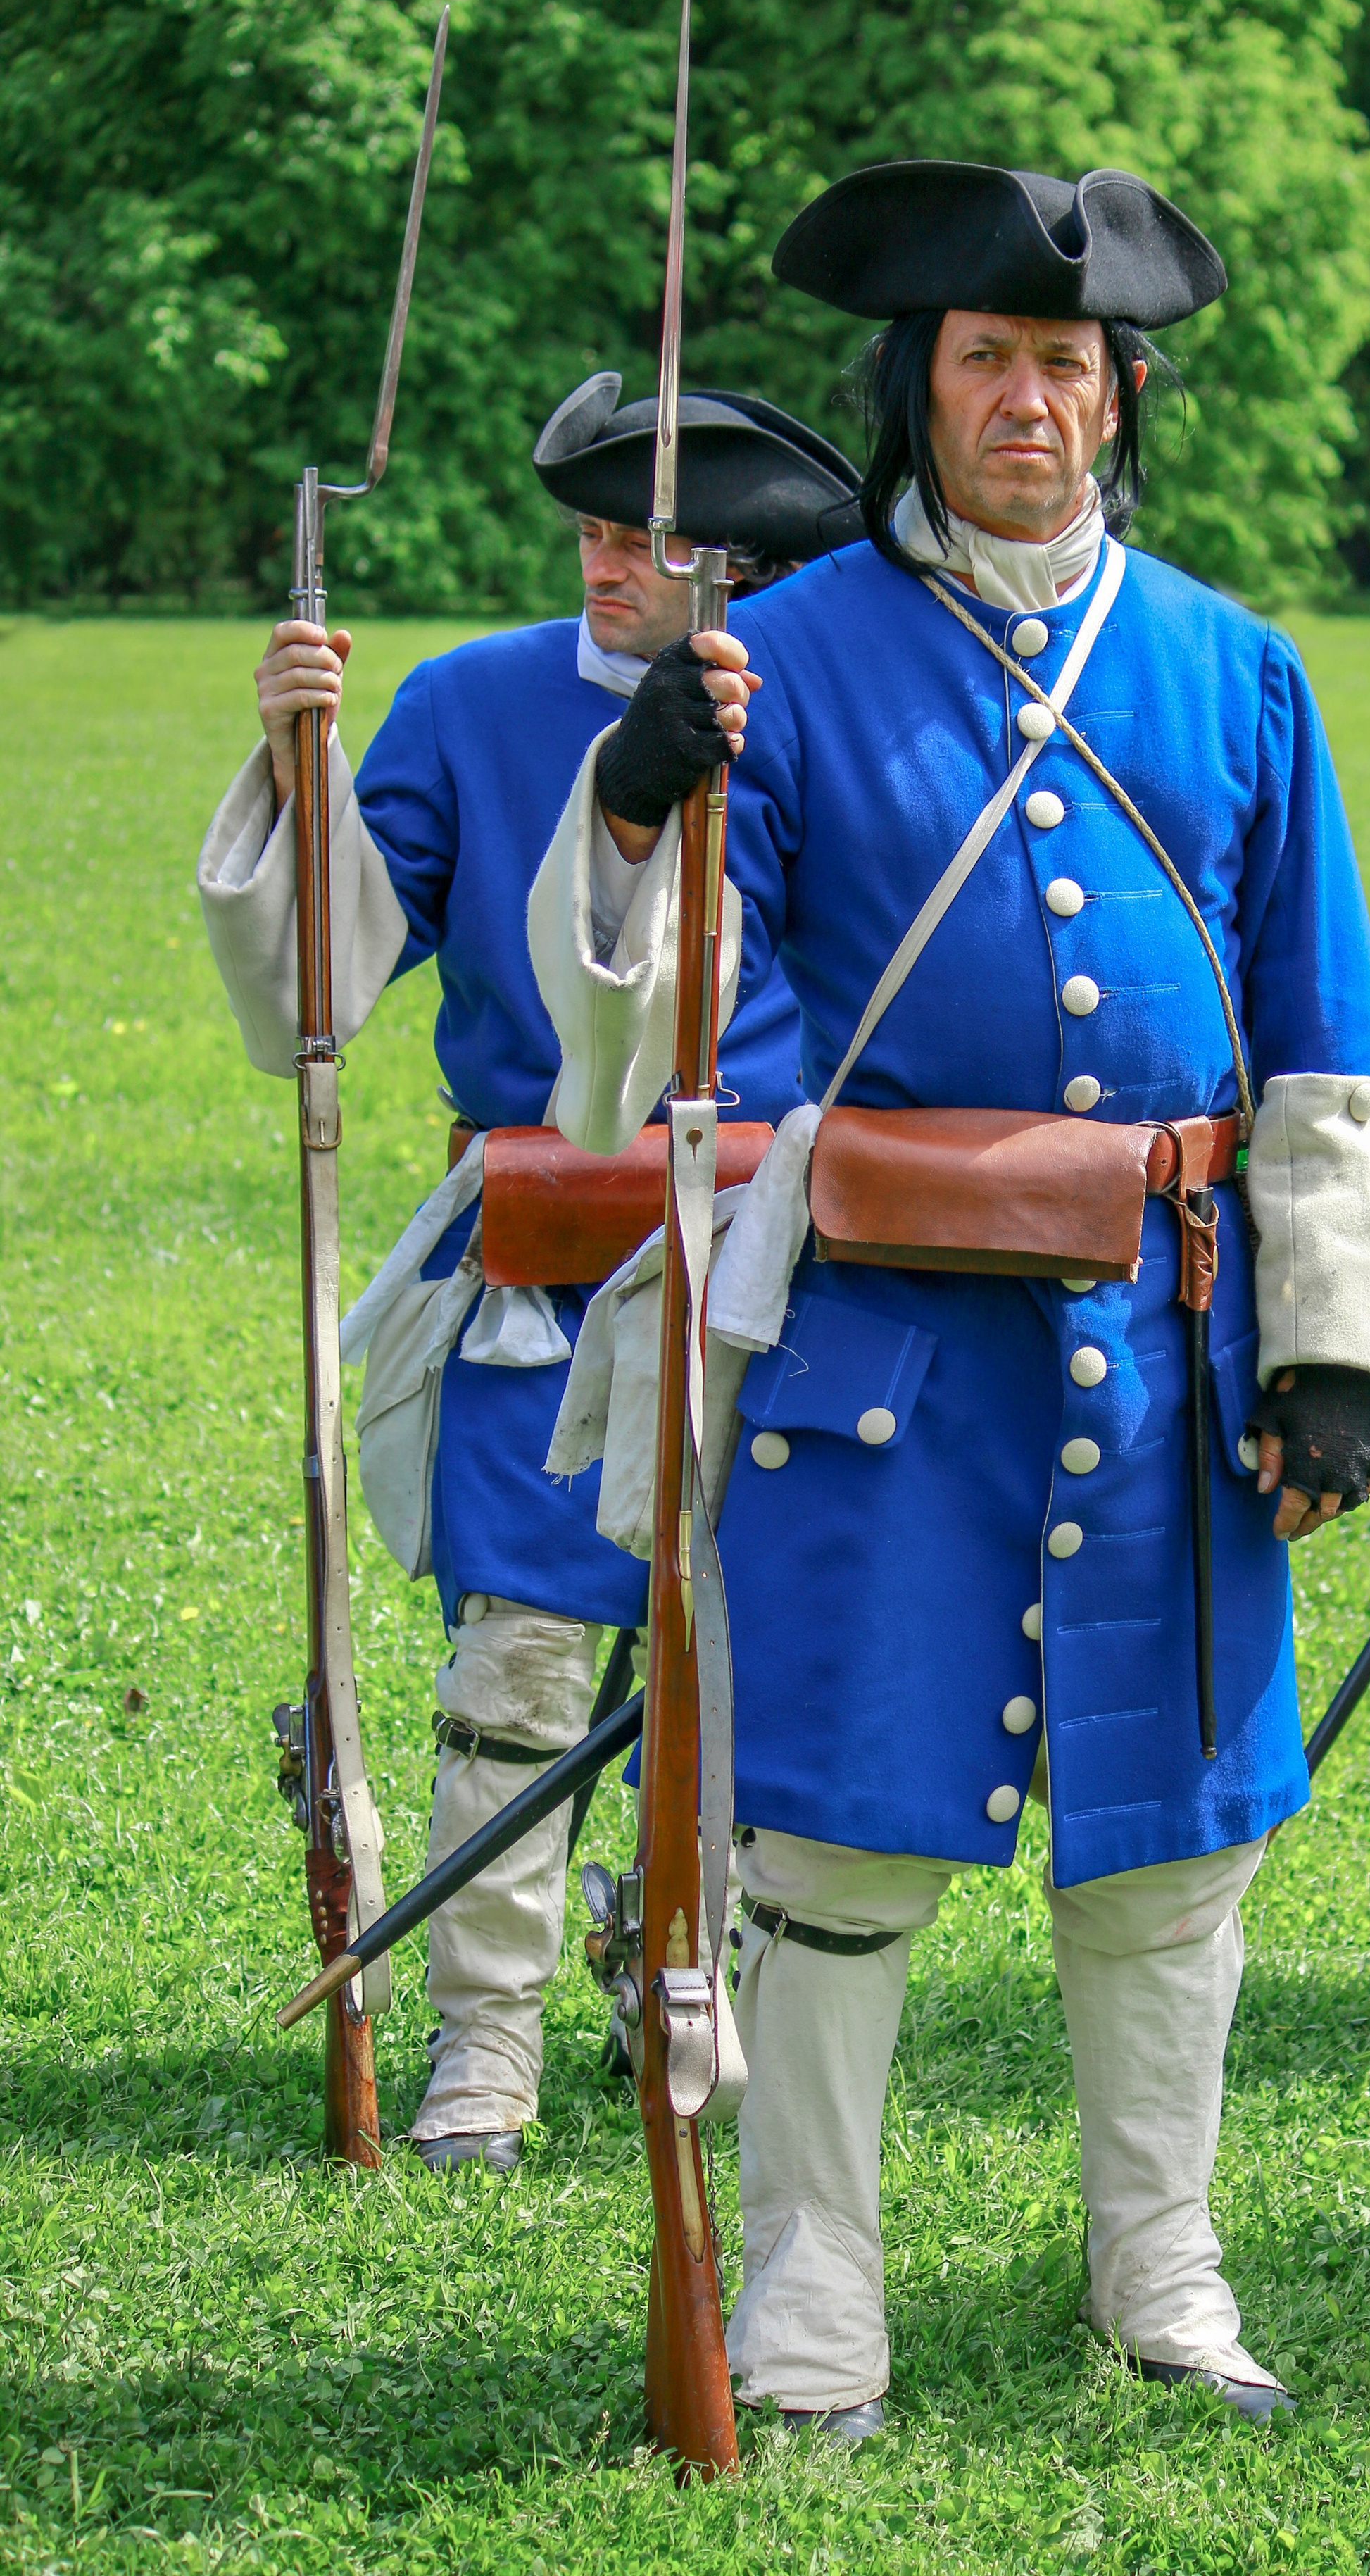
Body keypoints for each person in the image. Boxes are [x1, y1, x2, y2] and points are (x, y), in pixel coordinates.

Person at [531, 161, 1370, 2431]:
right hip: (878, 1356)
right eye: (984, 360)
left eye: (1065, 362)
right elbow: (637, 1045)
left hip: (1162, 1342)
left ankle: (1166, 2283)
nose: (1027, 397)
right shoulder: (784, 657)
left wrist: (1330, 1346)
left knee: (1174, 1859)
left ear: (1118, 393)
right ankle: (812, 2307)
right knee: (837, 1848)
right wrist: (639, 807)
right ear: (916, 390)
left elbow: (1327, 1031)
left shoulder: (1235, 666)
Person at [198, 380, 860, 2170]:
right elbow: (323, 981)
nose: (605, 562)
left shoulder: (840, 712)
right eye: (591, 525)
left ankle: (688, 1983)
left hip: (781, 1250)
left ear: (742, 566)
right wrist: (298, 769)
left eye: (649, 536)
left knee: (742, 1654)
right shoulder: (470, 703)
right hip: (543, 1247)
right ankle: (481, 2035)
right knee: (522, 1657)